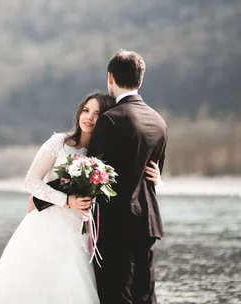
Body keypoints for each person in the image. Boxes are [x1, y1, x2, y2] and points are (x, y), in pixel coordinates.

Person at [0, 91, 162, 304]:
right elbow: (31, 181)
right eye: (86, 110)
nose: (89, 117)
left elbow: (127, 179)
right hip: (49, 224)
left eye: (97, 113)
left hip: (83, 230)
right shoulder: (59, 142)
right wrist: (67, 201)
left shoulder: (100, 155)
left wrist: (157, 179)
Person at [88, 49, 167, 304]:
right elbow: (154, 175)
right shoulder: (159, 122)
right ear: (140, 81)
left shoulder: (111, 120)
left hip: (115, 224)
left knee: (115, 294)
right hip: (147, 222)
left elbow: (92, 174)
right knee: (145, 294)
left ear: (110, 78)